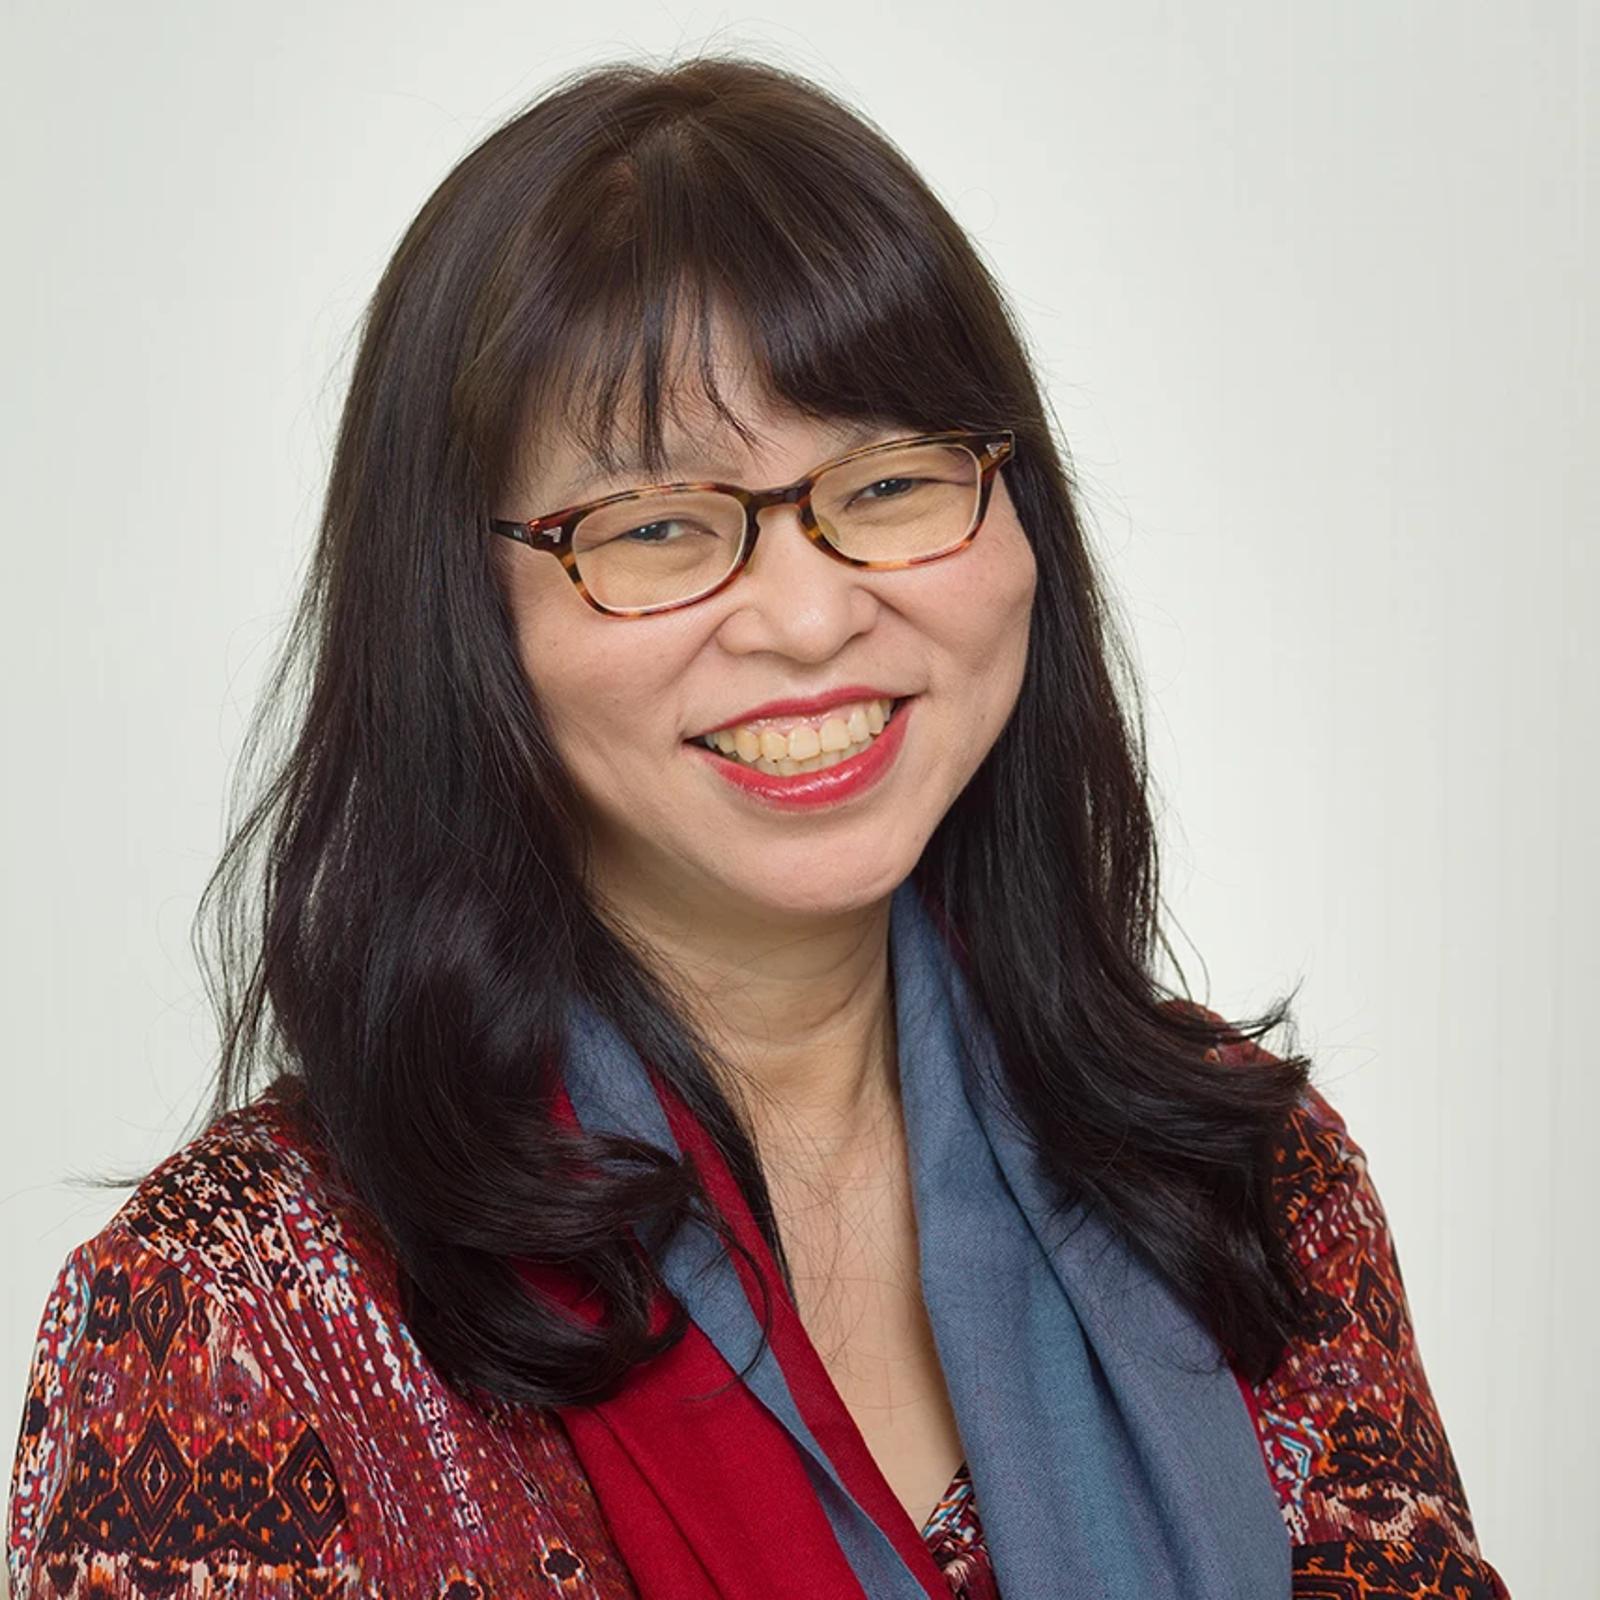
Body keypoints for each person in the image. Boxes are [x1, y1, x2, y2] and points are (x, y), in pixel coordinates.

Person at [7, 53, 1510, 1600]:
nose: (808, 615)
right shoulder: (236, 1324)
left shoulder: (1249, 1187)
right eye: (659, 525)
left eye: (891, 481)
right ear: (459, 615)